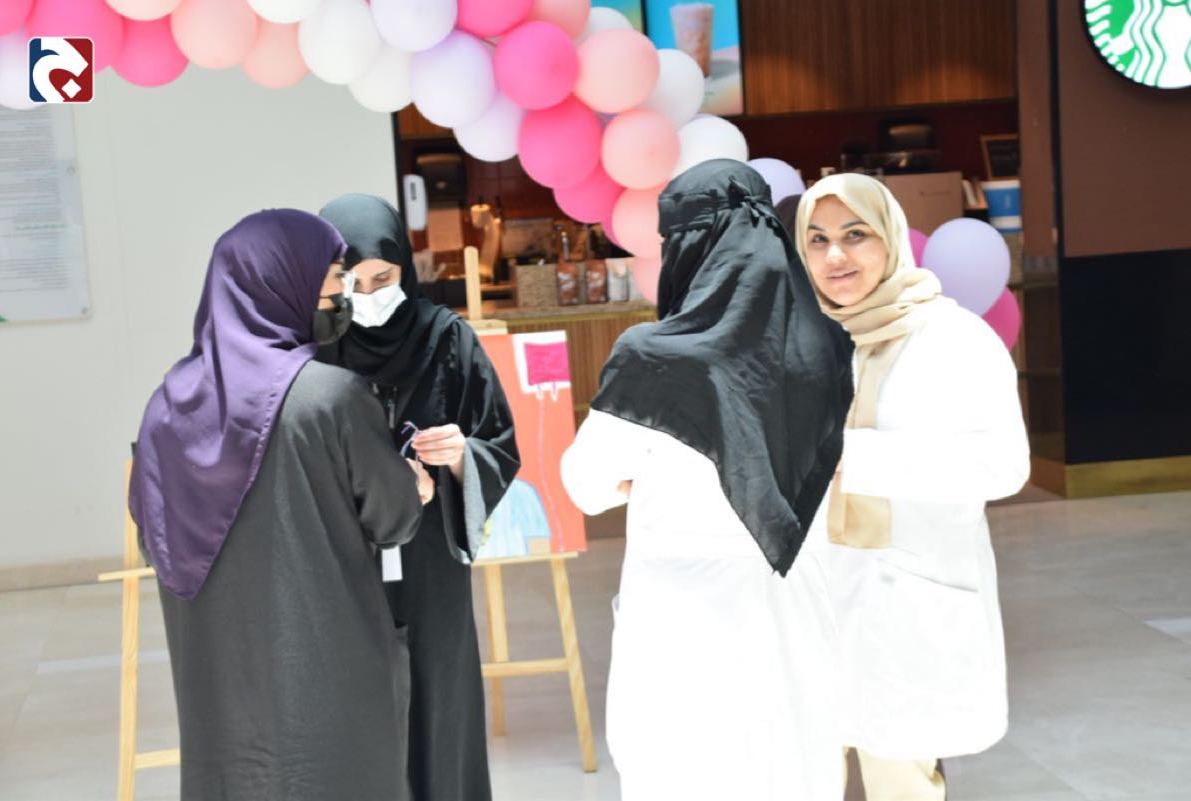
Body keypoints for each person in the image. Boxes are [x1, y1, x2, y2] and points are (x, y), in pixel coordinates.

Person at [560, 160, 855, 800]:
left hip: (684, 622)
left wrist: (644, 480)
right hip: (799, 606)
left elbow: (586, 485)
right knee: (794, 771)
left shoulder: (651, 357)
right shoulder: (829, 345)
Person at [129, 209, 430, 800]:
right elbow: (393, 519)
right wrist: (413, 482)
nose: (341, 295)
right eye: (333, 279)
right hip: (330, 664)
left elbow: (153, 539)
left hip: (218, 677)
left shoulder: (165, 410)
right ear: (282, 284)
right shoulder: (332, 398)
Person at [793, 172, 1030, 800]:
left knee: (901, 777)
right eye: (817, 239)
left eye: (855, 234)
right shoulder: (800, 343)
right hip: (811, 597)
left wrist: (856, 456)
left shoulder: (955, 339)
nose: (835, 255)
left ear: (891, 237)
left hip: (909, 599)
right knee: (803, 773)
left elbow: (1004, 465)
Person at [317, 194, 520, 801]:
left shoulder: (448, 339)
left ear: (405, 266)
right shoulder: (314, 347)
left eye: (383, 279)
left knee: (440, 698)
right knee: (354, 701)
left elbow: (498, 442)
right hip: (345, 556)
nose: (369, 294)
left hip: (431, 558)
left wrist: (459, 456)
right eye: (352, 283)